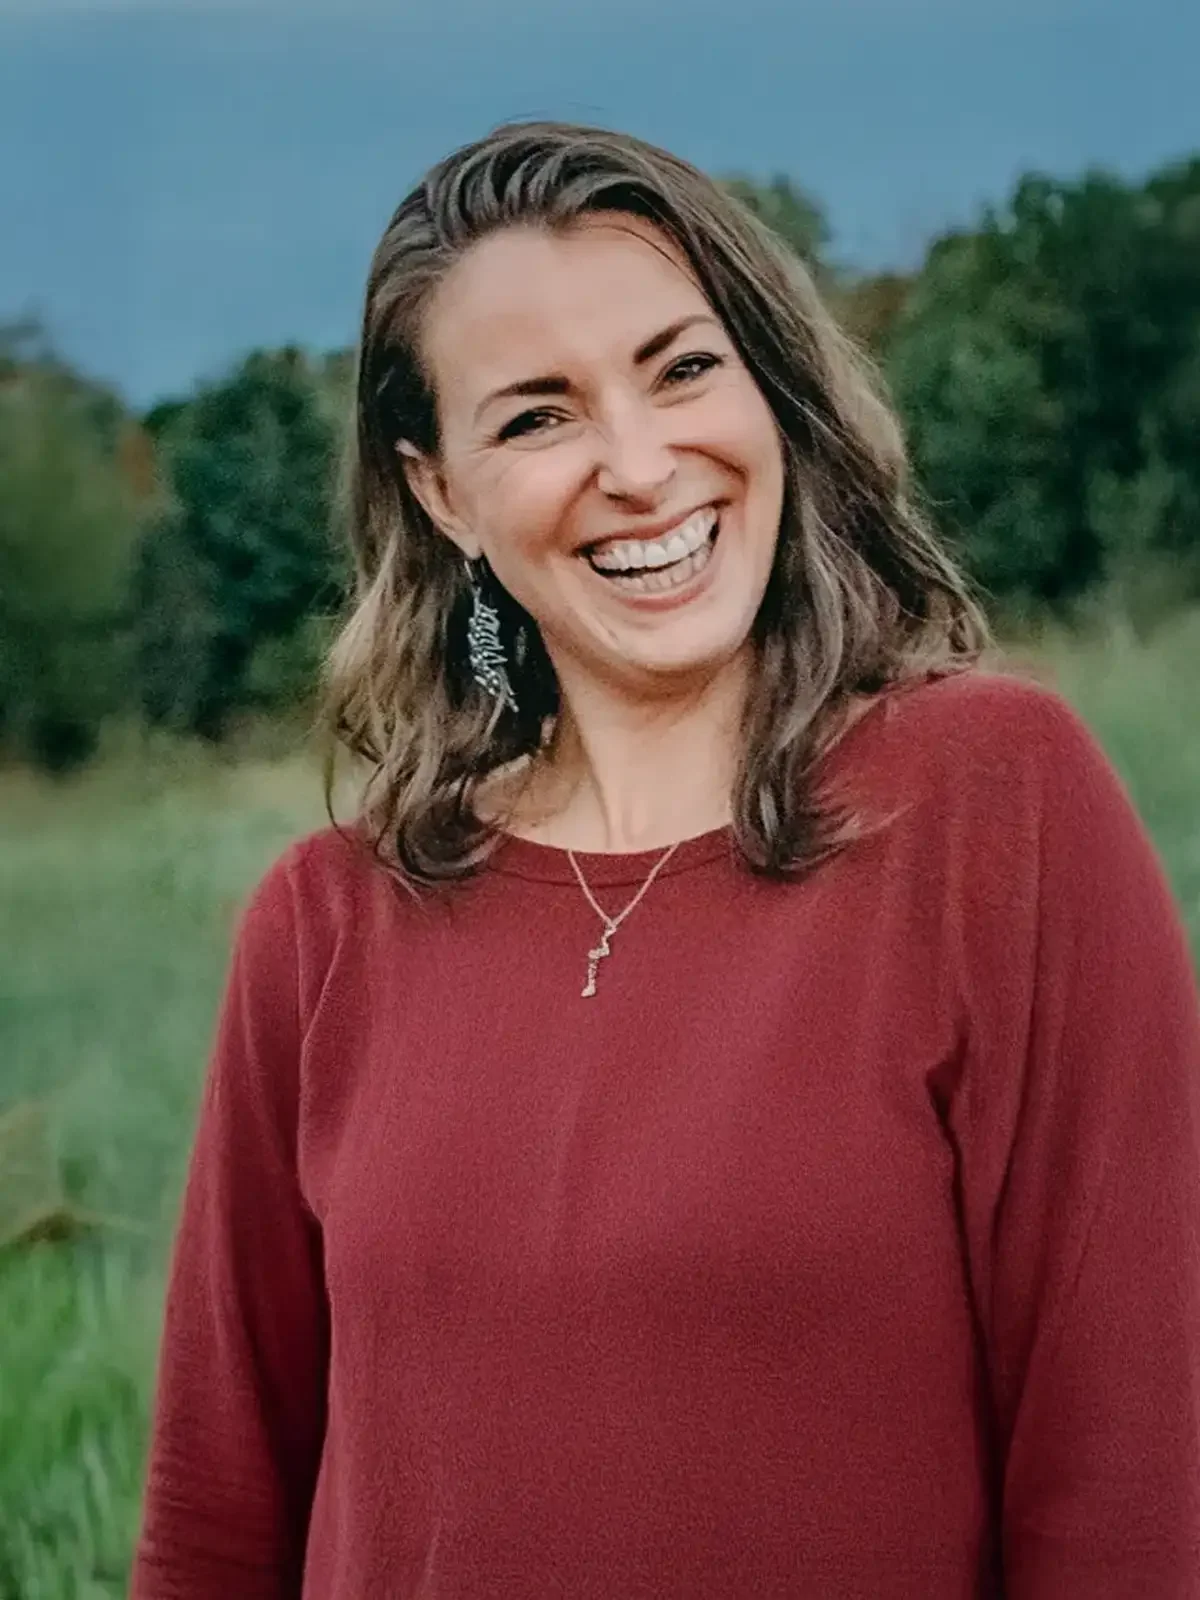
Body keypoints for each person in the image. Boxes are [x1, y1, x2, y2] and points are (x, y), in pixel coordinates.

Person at [131, 121, 1200, 1598]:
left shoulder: (998, 810)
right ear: (441, 494)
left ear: (769, 384)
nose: (641, 466)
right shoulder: (323, 927)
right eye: (536, 417)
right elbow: (215, 1518)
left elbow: (1132, 1478)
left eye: (684, 368)